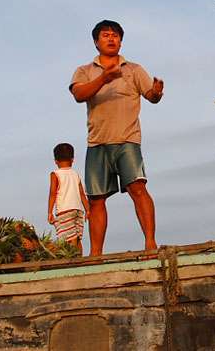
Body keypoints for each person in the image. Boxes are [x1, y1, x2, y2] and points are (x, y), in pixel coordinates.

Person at [69, 20, 164, 256]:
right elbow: (79, 94)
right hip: (98, 142)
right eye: (105, 35)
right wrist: (104, 79)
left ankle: (150, 244)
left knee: (138, 188)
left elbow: (151, 95)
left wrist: (157, 92)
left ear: (121, 40)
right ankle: (96, 254)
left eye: (115, 35)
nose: (111, 39)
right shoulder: (85, 70)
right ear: (96, 41)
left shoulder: (133, 69)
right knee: (97, 199)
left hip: (128, 140)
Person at [47, 143, 90, 254]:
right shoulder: (75, 174)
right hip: (78, 211)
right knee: (76, 238)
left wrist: (50, 212)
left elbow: (53, 193)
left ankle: (73, 262)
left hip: (64, 211)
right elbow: (81, 194)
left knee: (69, 240)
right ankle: (80, 259)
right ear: (72, 159)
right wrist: (88, 210)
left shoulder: (55, 174)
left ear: (55, 161)